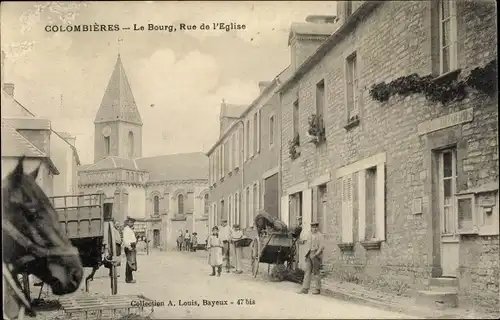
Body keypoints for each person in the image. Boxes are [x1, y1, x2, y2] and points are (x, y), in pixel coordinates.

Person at [298, 221, 324, 295]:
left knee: (316, 272)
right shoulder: (309, 235)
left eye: (316, 227)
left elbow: (321, 246)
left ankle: (317, 289)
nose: (314, 229)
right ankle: (305, 288)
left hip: (316, 254)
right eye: (313, 227)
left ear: (317, 228)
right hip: (309, 254)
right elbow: (306, 243)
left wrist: (316, 254)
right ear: (311, 228)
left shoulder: (320, 235)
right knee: (307, 271)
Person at [123, 217, 138, 284]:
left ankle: (129, 278)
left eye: (133, 222)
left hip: (132, 247)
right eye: (131, 222)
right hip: (129, 247)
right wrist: (129, 247)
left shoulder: (129, 229)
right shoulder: (126, 229)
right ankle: (128, 279)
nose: (132, 224)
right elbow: (125, 239)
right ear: (128, 222)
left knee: (130, 263)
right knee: (129, 263)